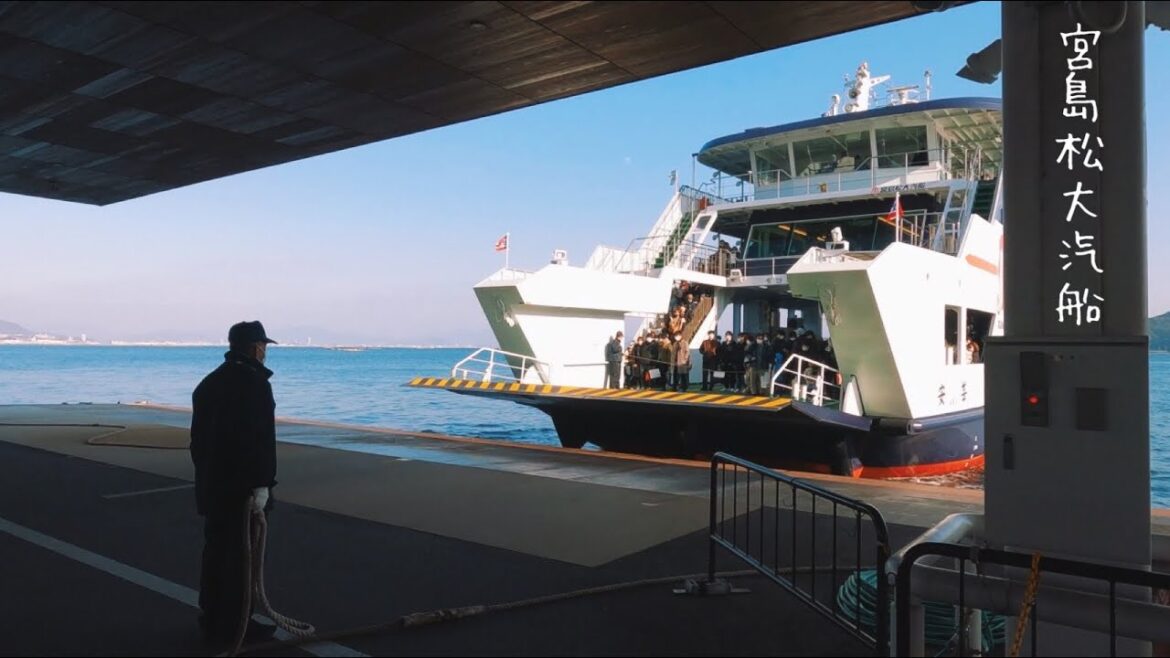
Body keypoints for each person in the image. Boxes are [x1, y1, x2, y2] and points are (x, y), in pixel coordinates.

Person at [190, 321, 279, 645]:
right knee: (242, 559)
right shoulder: (255, 384)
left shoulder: (208, 384)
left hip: (213, 489)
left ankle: (214, 618)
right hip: (243, 490)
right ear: (256, 348)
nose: (265, 353)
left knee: (216, 555)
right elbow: (260, 442)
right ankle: (235, 624)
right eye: (264, 347)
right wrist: (261, 485)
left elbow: (198, 444)